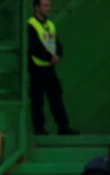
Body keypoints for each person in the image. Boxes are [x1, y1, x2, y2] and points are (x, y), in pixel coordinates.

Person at [27, 0, 76, 135]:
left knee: (56, 96)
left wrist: (58, 55)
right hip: (36, 68)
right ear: (37, 8)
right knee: (37, 100)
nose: (49, 8)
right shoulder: (31, 25)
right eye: (45, 6)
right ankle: (39, 128)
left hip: (49, 68)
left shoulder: (50, 25)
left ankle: (63, 126)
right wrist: (50, 57)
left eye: (49, 5)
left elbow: (57, 43)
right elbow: (33, 46)